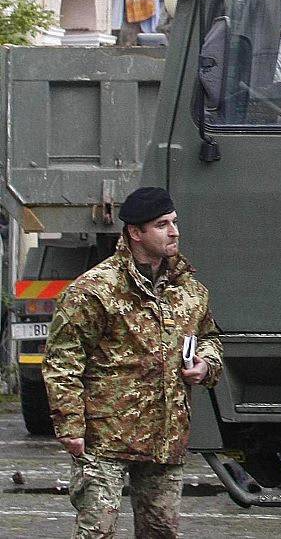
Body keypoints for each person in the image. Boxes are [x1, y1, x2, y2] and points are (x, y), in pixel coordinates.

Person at [42, 186, 223, 539]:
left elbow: (210, 338)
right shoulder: (95, 290)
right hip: (104, 438)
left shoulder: (189, 290)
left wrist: (206, 364)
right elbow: (63, 361)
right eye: (161, 225)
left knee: (160, 533)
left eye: (174, 222)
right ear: (135, 233)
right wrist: (71, 426)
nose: (174, 232)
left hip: (164, 437)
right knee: (98, 534)